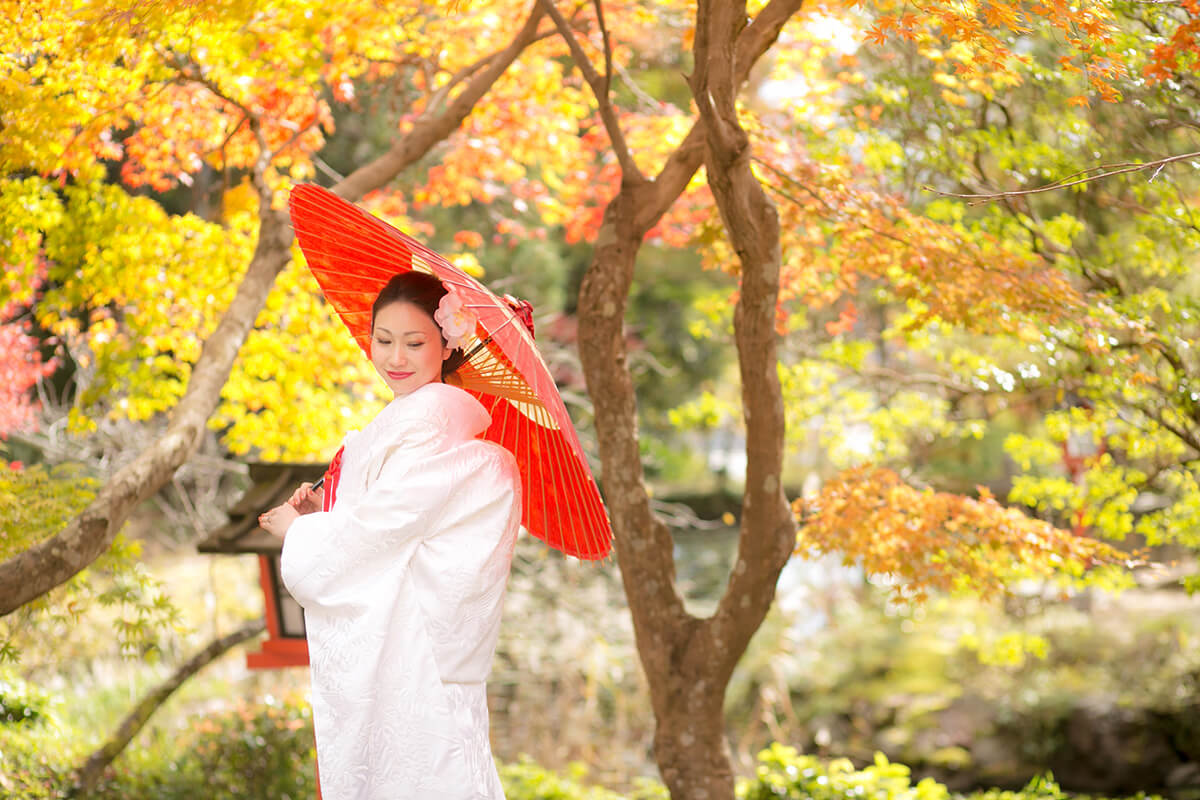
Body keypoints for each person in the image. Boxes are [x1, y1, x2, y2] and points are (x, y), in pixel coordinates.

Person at [257, 271, 521, 800]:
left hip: (417, 662)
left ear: (447, 346)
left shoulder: (430, 431)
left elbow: (379, 532)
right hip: (420, 664)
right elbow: (385, 520)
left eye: (415, 342)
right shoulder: (409, 424)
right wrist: (323, 513)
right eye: (383, 340)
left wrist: (301, 535)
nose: (395, 357)